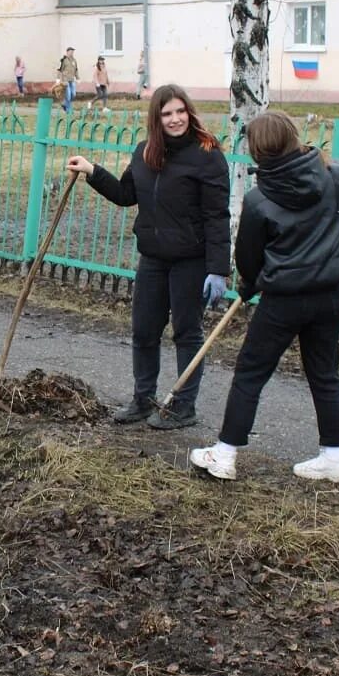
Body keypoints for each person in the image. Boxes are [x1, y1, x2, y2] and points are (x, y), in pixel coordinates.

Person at [189, 111, 339, 483]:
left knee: (250, 373)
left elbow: (248, 256)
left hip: (283, 301)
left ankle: (225, 454)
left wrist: (251, 283)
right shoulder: (333, 178)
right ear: (295, 138)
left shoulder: (261, 199)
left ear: (258, 151)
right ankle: (335, 455)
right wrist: (328, 164)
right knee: (324, 375)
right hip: (328, 298)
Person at [66, 84, 230, 429]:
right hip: (153, 258)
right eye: (167, 113)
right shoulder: (146, 152)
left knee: (187, 333)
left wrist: (218, 269)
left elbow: (217, 216)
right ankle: (143, 399)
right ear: (157, 118)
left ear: (190, 112)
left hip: (191, 260)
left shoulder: (208, 154)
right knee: (143, 331)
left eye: (180, 111)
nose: (175, 119)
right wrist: (92, 171)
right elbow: (127, 194)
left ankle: (183, 407)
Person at [57, 47, 78, 113]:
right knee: (68, 95)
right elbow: (60, 70)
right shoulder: (63, 60)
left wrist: (78, 78)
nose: (72, 53)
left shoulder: (74, 60)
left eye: (73, 52)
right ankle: (69, 110)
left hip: (72, 79)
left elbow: (76, 70)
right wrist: (58, 79)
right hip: (65, 80)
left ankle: (64, 104)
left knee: (73, 94)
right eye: (71, 52)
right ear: (67, 52)